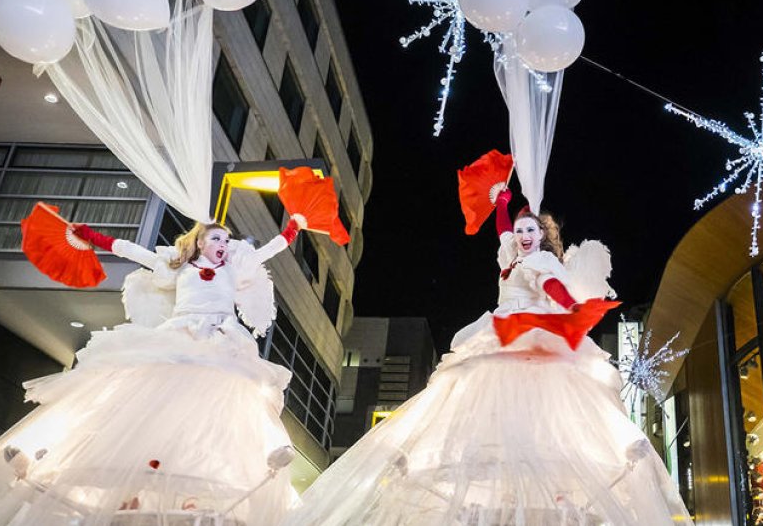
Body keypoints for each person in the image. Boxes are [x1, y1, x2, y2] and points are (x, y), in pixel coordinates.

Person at [283, 189, 691, 525]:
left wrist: (570, 307)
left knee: (532, 421)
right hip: (499, 335)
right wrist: (500, 203)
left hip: (527, 337)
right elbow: (500, 233)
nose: (524, 235)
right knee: (488, 420)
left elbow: (552, 285)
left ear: (542, 235)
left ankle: (547, 496)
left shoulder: (541, 260)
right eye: (520, 230)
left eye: (531, 230)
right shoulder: (510, 256)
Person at [0, 216, 307, 525]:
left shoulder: (233, 269)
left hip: (222, 342)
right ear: (200, 242)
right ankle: (131, 490)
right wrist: (92, 237)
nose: (225, 244)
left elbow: (268, 249)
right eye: (218, 238)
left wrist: (294, 226)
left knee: (207, 418)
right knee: (153, 408)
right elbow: (133, 251)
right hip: (179, 337)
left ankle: (191, 496)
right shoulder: (177, 266)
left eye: (227, 240)